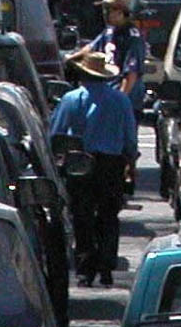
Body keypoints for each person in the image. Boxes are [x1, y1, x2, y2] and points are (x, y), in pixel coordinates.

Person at [48, 50, 139, 286]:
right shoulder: (121, 100)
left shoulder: (71, 99)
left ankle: (85, 269)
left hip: (80, 162)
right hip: (111, 163)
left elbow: (56, 133)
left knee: (82, 215)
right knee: (109, 215)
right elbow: (130, 138)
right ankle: (106, 267)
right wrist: (131, 162)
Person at [86, 0, 147, 114]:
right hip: (107, 92)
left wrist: (120, 100)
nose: (104, 14)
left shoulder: (132, 37)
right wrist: (70, 59)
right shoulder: (109, 31)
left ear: (120, 12)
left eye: (108, 10)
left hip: (125, 99)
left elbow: (131, 73)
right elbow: (90, 48)